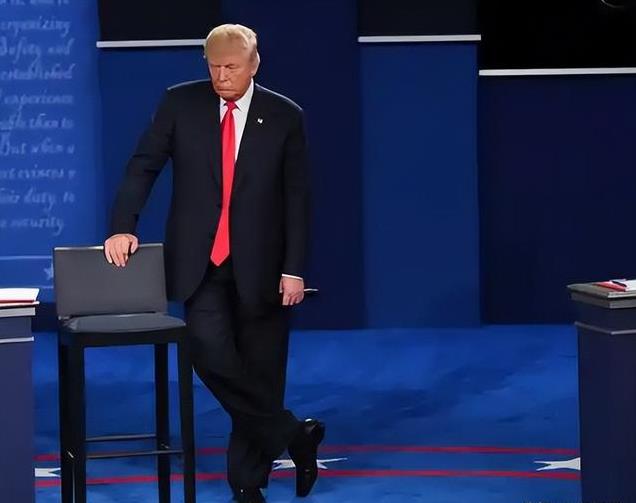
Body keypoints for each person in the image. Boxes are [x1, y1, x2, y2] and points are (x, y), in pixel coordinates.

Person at [103, 24, 324, 503]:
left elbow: (297, 198)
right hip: (200, 262)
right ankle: (292, 434)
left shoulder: (284, 115)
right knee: (208, 354)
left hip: (264, 265)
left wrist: (294, 269)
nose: (222, 77)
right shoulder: (180, 103)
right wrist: (123, 225)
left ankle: (247, 486)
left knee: (260, 370)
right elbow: (144, 164)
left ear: (254, 64)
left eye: (232, 67)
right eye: (214, 67)